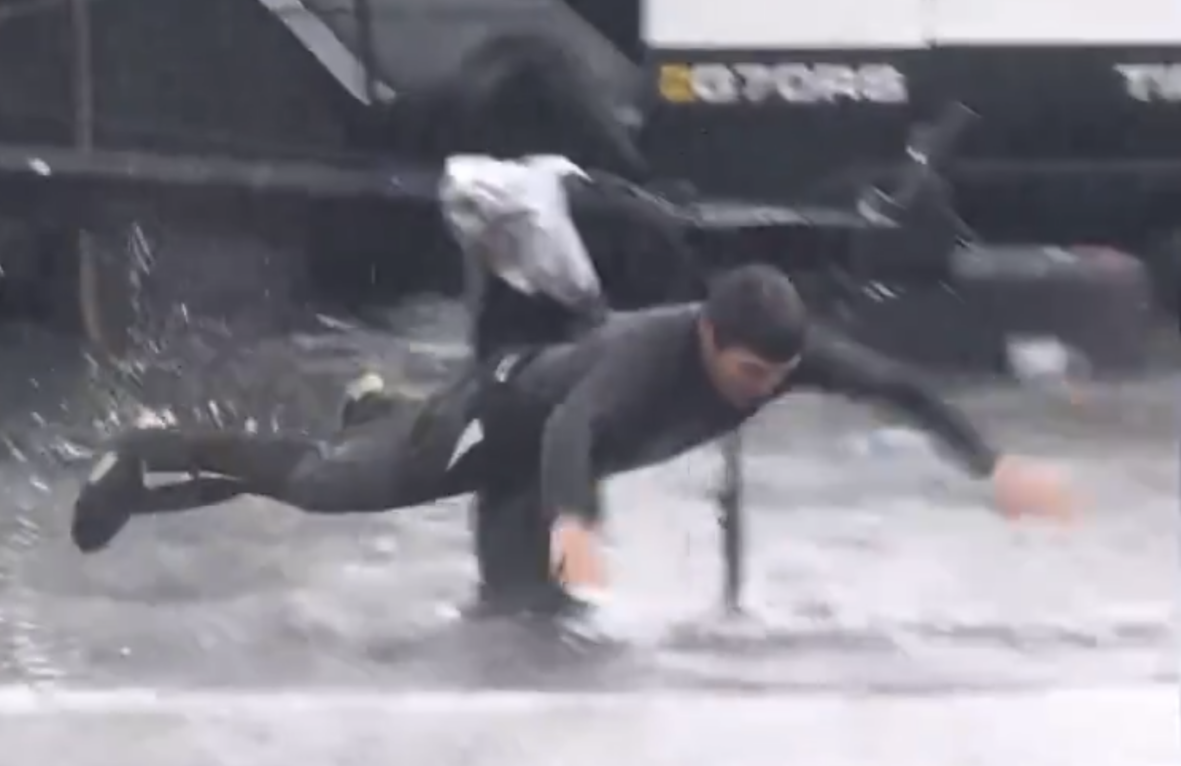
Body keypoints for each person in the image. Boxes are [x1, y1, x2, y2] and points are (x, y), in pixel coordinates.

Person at [73, 161, 1073, 617]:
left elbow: (898, 384)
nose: (763, 390)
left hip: (534, 454)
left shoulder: (782, 356)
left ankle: (376, 407)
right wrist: (578, 525)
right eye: (748, 373)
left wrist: (993, 466)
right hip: (499, 421)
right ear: (710, 335)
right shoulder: (651, 355)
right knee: (327, 488)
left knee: (526, 625)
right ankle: (148, 452)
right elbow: (570, 429)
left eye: (777, 376)